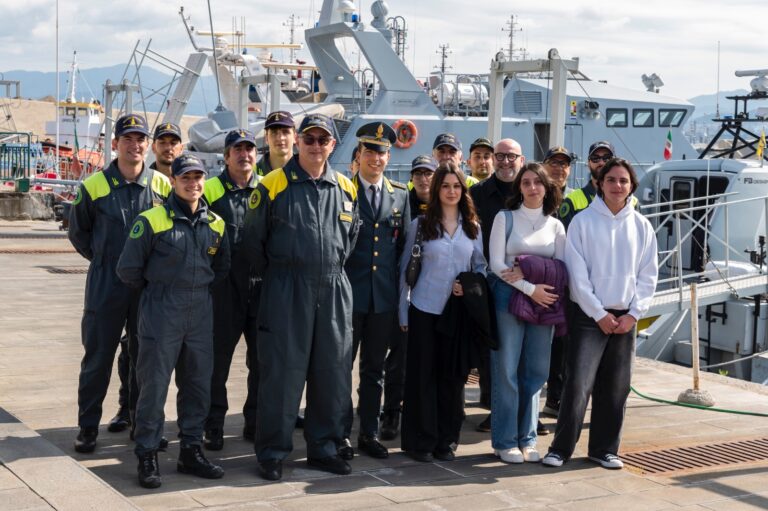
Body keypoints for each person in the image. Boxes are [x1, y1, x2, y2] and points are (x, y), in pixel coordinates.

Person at [243, 113, 359, 482]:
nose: (315, 146)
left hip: (333, 287)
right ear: (297, 142)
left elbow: (350, 239)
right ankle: (272, 452)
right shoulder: (272, 184)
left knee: (332, 373)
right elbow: (252, 242)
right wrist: (279, 276)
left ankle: (324, 448)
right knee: (282, 374)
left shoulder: (345, 187)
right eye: (308, 139)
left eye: (322, 140)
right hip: (286, 287)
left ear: (332, 145)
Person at [116, 154, 231, 488]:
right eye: (186, 177)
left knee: (197, 384)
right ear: (174, 181)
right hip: (161, 311)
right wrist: (159, 292)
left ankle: (191, 450)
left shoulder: (216, 224)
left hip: (200, 311)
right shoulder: (151, 220)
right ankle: (148, 454)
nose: (193, 184)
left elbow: (220, 269)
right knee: (153, 386)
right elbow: (128, 269)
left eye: (198, 177)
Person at [542, 158, 658, 470]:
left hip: (625, 317)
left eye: (623, 180)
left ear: (631, 185)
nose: (618, 186)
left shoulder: (642, 226)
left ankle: (604, 449)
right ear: (600, 184)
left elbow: (649, 275)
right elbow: (576, 276)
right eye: (611, 180)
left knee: (616, 387)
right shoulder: (582, 222)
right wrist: (598, 313)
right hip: (589, 317)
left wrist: (634, 314)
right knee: (578, 384)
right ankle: (560, 448)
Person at [68, 113, 171, 454]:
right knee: (98, 358)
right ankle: (87, 428)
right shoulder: (93, 186)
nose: (135, 144)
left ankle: (141, 426)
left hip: (146, 288)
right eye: (128, 138)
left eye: (141, 138)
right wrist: (104, 261)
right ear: (115, 144)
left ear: (148, 144)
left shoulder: (161, 186)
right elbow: (79, 233)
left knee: (146, 359)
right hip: (106, 284)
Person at [398, 163, 486, 462]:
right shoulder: (421, 225)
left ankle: (447, 440)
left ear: (463, 191)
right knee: (422, 376)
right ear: (437, 190)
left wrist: (469, 286)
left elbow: (481, 268)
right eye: (446, 186)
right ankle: (421, 441)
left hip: (456, 313)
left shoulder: (473, 228)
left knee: (453, 378)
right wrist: (403, 312)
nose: (451, 191)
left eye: (456, 186)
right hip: (424, 307)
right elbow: (406, 271)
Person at [488, 162, 565, 464]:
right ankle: (505, 440)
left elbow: (561, 267)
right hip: (509, 296)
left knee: (536, 371)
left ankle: (528, 438)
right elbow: (496, 264)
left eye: (538, 182)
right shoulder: (504, 218)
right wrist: (528, 287)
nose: (532, 188)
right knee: (506, 370)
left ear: (547, 188)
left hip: (545, 300)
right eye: (526, 182)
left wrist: (533, 280)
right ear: (519, 187)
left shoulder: (556, 225)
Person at [342, 122, 410, 459]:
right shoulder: (342, 191)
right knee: (340, 367)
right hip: (348, 298)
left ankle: (368, 433)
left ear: (389, 156)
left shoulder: (401, 195)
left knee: (374, 370)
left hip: (383, 299)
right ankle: (339, 434)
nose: (376, 157)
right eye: (370, 150)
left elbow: (404, 253)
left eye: (381, 152)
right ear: (359, 154)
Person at [203, 129, 262, 450]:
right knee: (217, 362)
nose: (244, 155)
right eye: (237, 150)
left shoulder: (266, 188)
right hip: (223, 290)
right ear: (226, 157)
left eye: (249, 149)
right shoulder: (210, 190)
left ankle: (254, 420)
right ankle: (213, 423)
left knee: (261, 361)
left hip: (260, 288)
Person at [469, 137, 526, 432]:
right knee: (493, 348)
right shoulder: (476, 194)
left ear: (522, 160)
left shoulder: (532, 190)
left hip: (527, 280)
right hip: (490, 280)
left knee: (526, 351)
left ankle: (525, 412)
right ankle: (496, 409)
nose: (505, 162)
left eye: (511, 157)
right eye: (500, 156)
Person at [541, 145, 574, 418]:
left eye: (564, 164)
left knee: (562, 344)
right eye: (553, 162)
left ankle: (554, 398)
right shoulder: (534, 197)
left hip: (565, 284)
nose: (559, 168)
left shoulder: (573, 201)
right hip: (536, 283)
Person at [558, 140, 613, 230]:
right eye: (595, 158)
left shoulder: (631, 202)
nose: (601, 163)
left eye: (607, 158)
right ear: (588, 164)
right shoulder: (572, 201)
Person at [255, 110, 296, 176]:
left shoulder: (307, 171)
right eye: (274, 132)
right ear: (266, 138)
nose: (280, 138)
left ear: (295, 137)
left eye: (285, 132)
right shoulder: (251, 175)